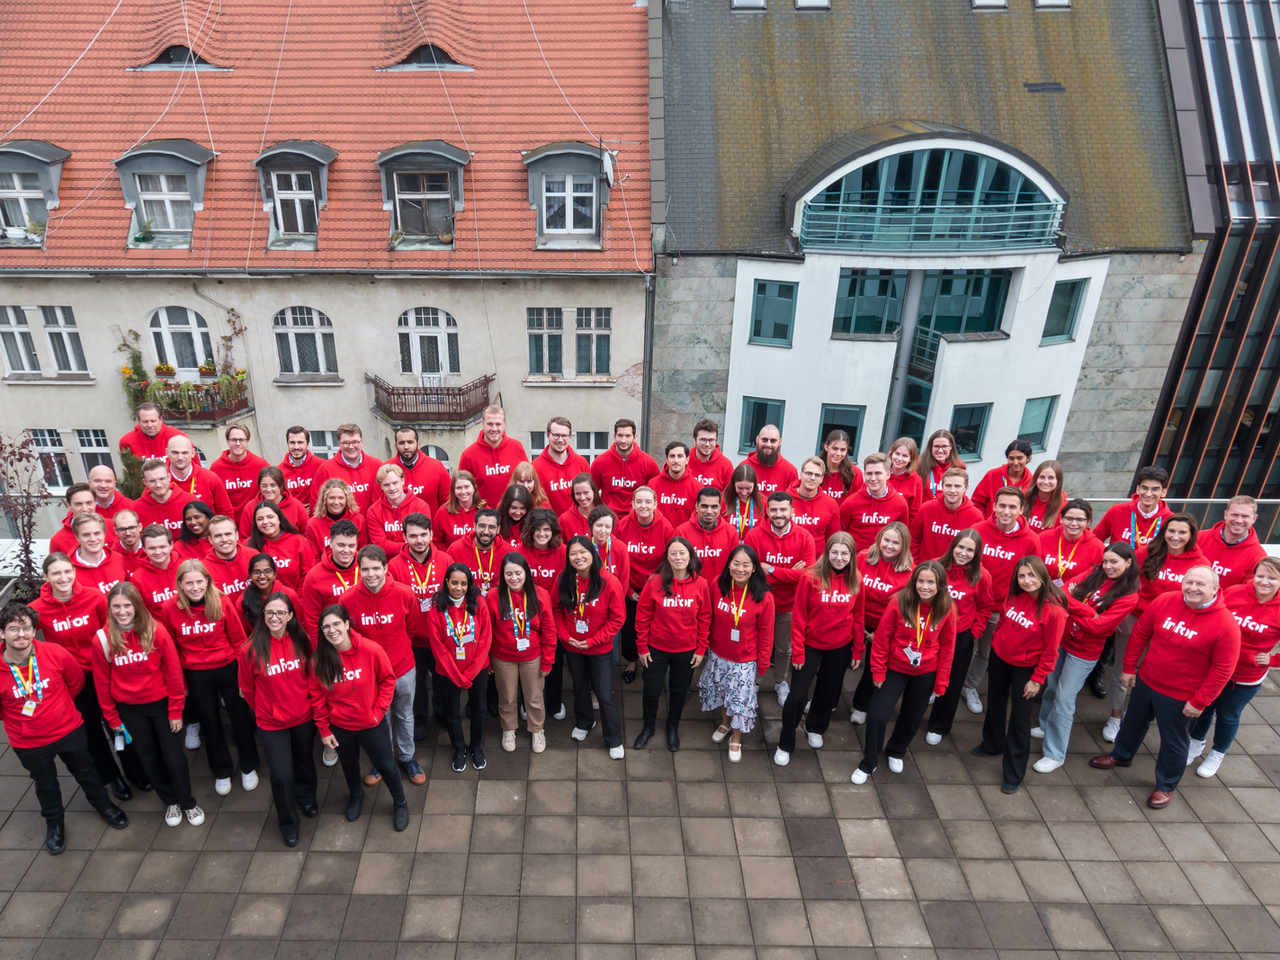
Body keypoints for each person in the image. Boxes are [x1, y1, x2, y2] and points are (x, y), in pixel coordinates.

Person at [1090, 566, 1240, 808]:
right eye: (1189, 581)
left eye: (1200, 584)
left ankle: (1166, 785)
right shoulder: (1165, 601)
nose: (1192, 588)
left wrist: (1200, 701)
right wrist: (1129, 667)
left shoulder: (1226, 625)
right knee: (1132, 723)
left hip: (1182, 696)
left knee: (1173, 742)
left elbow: (1223, 670)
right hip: (1147, 681)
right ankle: (1121, 755)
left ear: (1215, 589)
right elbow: (1140, 633)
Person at [0, 603, 129, 854]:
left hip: (68, 731)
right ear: (2, 634)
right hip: (30, 743)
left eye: (26, 627)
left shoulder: (55, 653)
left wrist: (58, 712)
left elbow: (76, 683)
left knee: (87, 771)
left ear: (34, 629)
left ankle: (105, 806)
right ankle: (55, 824)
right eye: (13, 628)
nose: (21, 634)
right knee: (45, 784)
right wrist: (28, 722)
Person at [30, 553, 145, 799]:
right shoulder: (37, 609)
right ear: (46, 577)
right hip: (73, 682)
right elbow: (17, 631)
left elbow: (116, 625)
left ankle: (135, 771)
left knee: (117, 726)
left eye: (67, 572)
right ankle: (112, 777)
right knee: (91, 732)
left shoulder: (94, 596)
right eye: (56, 573)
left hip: (105, 672)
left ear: (74, 572)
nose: (63, 578)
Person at [93, 583, 204, 827]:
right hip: (129, 711)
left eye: (127, 606)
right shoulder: (102, 639)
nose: (122, 611)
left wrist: (176, 710)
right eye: (116, 607)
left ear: (137, 606)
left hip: (162, 706)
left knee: (174, 758)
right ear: (109, 608)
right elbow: (102, 684)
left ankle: (188, 803)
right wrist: (112, 719)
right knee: (148, 758)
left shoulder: (156, 631)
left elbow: (174, 673)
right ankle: (170, 802)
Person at [1032, 543, 1139, 772]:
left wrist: (1075, 607)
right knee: (1051, 687)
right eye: (1106, 561)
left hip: (1084, 652)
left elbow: (1099, 628)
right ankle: (1045, 725)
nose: (1107, 566)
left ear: (1128, 563)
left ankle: (1055, 753)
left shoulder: (1129, 596)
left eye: (1114, 562)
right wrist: (1089, 611)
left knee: (1064, 698)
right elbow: (1060, 593)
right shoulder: (1093, 573)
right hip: (1062, 640)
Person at [1102, 513, 1207, 741]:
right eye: (1171, 531)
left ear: (1191, 536)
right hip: (1135, 618)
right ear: (1163, 532)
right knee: (1123, 668)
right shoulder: (1145, 553)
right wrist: (1118, 615)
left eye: (1182, 532)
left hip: (1170, 626)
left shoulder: (1200, 564)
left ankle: (1134, 712)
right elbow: (1122, 582)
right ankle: (1115, 715)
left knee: (1149, 671)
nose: (1175, 537)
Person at [161, 559, 260, 795]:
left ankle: (249, 766)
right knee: (210, 722)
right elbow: (172, 649)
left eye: (199, 581)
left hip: (227, 667)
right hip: (196, 673)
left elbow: (238, 641)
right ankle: (222, 770)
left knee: (240, 718)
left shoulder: (222, 601)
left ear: (207, 581)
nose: (195, 587)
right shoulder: (169, 608)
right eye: (189, 583)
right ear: (180, 585)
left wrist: (243, 676)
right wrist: (182, 683)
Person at [853, 561, 955, 783]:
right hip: (894, 668)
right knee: (877, 716)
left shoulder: (947, 608)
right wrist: (878, 671)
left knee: (911, 717)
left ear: (940, 585)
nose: (925, 587)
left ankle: (896, 750)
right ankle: (869, 762)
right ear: (914, 581)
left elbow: (948, 648)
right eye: (920, 581)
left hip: (926, 672)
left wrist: (941, 683)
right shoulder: (899, 601)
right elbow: (881, 639)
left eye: (931, 582)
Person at [971, 557, 1067, 793]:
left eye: (1032, 575)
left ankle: (1013, 773)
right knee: (994, 703)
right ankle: (992, 743)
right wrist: (996, 643)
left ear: (1043, 576)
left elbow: (1051, 651)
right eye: (1022, 576)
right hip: (1000, 659)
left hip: (1027, 670)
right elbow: (1002, 620)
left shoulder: (1055, 611)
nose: (1026, 581)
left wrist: (1037, 679)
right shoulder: (1013, 595)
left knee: (1020, 720)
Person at [309, 605, 409, 829]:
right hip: (341, 725)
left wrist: (378, 710)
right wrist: (324, 730)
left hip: (371, 723)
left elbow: (387, 680)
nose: (332, 630)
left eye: (336, 624)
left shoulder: (371, 649)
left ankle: (400, 801)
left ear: (346, 624)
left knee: (385, 764)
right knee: (348, 763)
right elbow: (316, 697)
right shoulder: (319, 659)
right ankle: (356, 795)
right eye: (326, 626)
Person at [1186, 556, 1280, 777]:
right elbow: (1211, 615)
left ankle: (1218, 752)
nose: (1264, 582)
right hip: (1214, 667)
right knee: (1205, 706)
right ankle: (1195, 741)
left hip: (1245, 676)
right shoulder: (1235, 593)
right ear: (1253, 576)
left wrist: (1274, 660)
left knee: (1228, 715)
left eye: (1272, 578)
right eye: (1260, 576)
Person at [775, 532, 864, 766]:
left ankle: (815, 727)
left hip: (840, 646)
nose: (839, 557)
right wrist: (798, 650)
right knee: (797, 696)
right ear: (826, 553)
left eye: (845, 553)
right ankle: (785, 742)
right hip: (810, 645)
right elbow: (799, 616)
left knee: (828, 690)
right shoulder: (810, 577)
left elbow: (858, 615)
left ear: (852, 555)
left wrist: (857, 649)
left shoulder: (856, 579)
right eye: (834, 552)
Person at [339, 546, 424, 786]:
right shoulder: (347, 599)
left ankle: (407, 757)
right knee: (378, 719)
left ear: (386, 569)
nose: (371, 574)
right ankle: (382, 760)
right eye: (365, 569)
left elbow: (412, 628)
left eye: (376, 568)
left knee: (405, 714)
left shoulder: (405, 594)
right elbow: (351, 637)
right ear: (359, 570)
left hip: (403, 668)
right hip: (371, 675)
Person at [238, 593, 318, 846]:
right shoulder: (249, 649)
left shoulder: (301, 640)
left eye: (280, 613)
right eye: (269, 613)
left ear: (290, 616)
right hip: (271, 723)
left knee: (305, 762)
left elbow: (311, 677)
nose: (274, 617)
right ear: (262, 616)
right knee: (282, 775)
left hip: (304, 717)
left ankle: (306, 797)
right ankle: (288, 823)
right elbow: (248, 690)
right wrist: (266, 711)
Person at [959, 486, 1040, 715]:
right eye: (1002, 505)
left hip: (1001, 609)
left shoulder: (1031, 540)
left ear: (1021, 509)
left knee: (985, 651)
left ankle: (969, 686)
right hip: (969, 603)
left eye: (1012, 507)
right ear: (993, 506)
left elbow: (1033, 577)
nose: (1006, 511)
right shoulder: (977, 530)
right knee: (955, 648)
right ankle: (940, 686)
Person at [634, 537, 712, 751]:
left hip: (686, 650)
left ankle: (672, 727)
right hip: (656, 649)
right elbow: (642, 616)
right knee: (651, 690)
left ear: (690, 557)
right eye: (673, 553)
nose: (678, 557)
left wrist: (701, 648)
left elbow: (705, 617)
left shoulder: (701, 584)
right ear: (667, 557)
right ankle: (648, 728)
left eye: (682, 553)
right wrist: (642, 646)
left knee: (679, 691)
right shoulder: (654, 582)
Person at [699, 544, 773, 762]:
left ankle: (736, 738)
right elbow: (707, 617)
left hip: (744, 660)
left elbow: (767, 633)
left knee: (739, 701)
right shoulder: (718, 585)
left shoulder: (764, 596)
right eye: (736, 563)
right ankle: (725, 723)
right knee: (722, 693)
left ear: (754, 569)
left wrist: (763, 665)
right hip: (718, 653)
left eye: (746, 565)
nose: (740, 569)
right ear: (728, 564)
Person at [555, 536, 627, 758]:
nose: (578, 557)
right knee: (579, 687)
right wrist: (566, 637)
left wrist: (593, 641)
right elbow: (555, 611)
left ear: (593, 553)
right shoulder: (563, 579)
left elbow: (617, 619)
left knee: (604, 694)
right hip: (573, 646)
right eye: (573, 554)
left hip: (599, 649)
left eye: (582, 552)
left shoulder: (608, 581)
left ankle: (614, 738)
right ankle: (585, 722)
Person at [745, 492, 817, 706]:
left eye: (783, 510)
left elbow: (808, 575)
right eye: (774, 510)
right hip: (758, 603)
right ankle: (754, 681)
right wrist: (790, 574)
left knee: (784, 648)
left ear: (792, 512)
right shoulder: (753, 535)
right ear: (767, 511)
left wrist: (772, 569)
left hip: (788, 605)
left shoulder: (804, 537)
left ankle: (780, 682)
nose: (778, 514)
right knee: (756, 645)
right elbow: (752, 573)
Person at [925, 530, 995, 744]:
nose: (963, 553)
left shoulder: (982, 576)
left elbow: (985, 607)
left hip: (959, 637)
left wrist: (973, 633)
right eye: (960, 547)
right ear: (953, 546)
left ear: (977, 553)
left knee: (952, 683)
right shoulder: (935, 566)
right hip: (929, 632)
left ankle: (938, 726)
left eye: (970, 550)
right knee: (923, 675)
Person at [387, 514, 453, 741]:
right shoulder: (394, 566)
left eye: (423, 535)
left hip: (441, 637)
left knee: (442, 678)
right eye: (413, 535)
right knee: (417, 685)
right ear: (404, 537)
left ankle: (442, 713)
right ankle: (421, 718)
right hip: (412, 639)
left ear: (431, 535)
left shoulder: (446, 560)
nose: (419, 540)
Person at [424, 565, 493, 771]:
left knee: (479, 709)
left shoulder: (479, 603)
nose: (459, 588)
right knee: (451, 711)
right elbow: (438, 648)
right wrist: (458, 676)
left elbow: (485, 639)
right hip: (448, 672)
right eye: (454, 582)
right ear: (447, 583)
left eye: (464, 583)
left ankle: (476, 747)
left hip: (477, 669)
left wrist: (471, 672)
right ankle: (459, 747)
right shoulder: (436, 608)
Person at [486, 553, 556, 753]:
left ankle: (537, 729)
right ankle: (509, 729)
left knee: (534, 696)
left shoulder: (540, 595)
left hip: (532, 656)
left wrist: (548, 661)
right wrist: (488, 661)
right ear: (502, 575)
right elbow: (487, 631)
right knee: (507, 696)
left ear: (527, 573)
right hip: (503, 657)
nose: (514, 578)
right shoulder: (492, 596)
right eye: (509, 574)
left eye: (518, 573)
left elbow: (550, 630)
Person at [849, 523, 915, 724]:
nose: (889, 546)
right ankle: (829, 699)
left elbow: (905, 610)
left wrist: (879, 633)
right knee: (839, 662)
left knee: (873, 668)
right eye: (886, 540)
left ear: (904, 546)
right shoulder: (861, 558)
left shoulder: (911, 573)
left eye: (896, 543)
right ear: (879, 540)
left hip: (884, 627)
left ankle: (861, 705)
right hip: (855, 619)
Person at [617, 487, 676, 685]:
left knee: (655, 627)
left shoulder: (666, 527)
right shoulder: (622, 525)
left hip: (655, 588)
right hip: (630, 588)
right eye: (639, 502)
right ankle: (632, 662)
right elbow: (617, 558)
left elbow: (670, 560)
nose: (643, 506)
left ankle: (653, 661)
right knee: (630, 628)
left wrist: (657, 586)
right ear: (632, 504)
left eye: (647, 502)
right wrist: (628, 591)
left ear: (655, 504)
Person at [517, 509, 568, 717]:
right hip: (524, 618)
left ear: (553, 531)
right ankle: (527, 703)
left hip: (554, 616)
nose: (541, 534)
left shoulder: (564, 552)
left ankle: (555, 703)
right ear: (529, 531)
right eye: (537, 529)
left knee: (553, 663)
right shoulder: (519, 553)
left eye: (546, 529)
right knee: (525, 665)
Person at [300, 520, 363, 637]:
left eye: (351, 546)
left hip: (365, 639)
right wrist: (320, 651)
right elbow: (312, 622)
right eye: (341, 545)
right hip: (333, 639)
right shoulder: (315, 577)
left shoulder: (366, 567)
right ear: (330, 543)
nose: (347, 551)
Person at [458, 406, 529, 509]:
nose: (494, 429)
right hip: (484, 516)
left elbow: (529, 478)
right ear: (483, 424)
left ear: (504, 424)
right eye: (490, 424)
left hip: (514, 514)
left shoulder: (517, 447)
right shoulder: (468, 455)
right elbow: (461, 489)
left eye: (498, 424)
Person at [840, 453, 910, 550]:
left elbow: (902, 537)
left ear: (888, 474)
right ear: (864, 474)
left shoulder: (900, 504)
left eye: (878, 473)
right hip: (855, 560)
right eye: (869, 473)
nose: (873, 478)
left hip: (885, 560)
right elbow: (839, 536)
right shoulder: (850, 503)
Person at [910, 467, 983, 561]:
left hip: (955, 573)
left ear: (966, 488)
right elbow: (914, 541)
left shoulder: (976, 516)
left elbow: (976, 552)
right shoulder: (926, 509)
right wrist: (916, 566)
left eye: (957, 486)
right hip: (926, 571)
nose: (952, 490)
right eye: (948, 485)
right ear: (942, 486)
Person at [591, 418, 660, 517]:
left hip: (637, 518)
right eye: (620, 435)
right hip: (608, 518)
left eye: (628, 436)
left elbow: (655, 494)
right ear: (614, 436)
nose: (623, 440)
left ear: (635, 437)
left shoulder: (649, 463)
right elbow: (592, 493)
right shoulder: (599, 462)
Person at [1093, 465, 1173, 548]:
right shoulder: (1117, 511)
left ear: (1164, 492)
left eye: (1155, 489)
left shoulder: (1170, 520)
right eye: (1145, 488)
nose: (1148, 494)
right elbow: (1095, 539)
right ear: (1138, 489)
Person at [1199, 495, 1268, 590]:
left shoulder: (1258, 557)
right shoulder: (1198, 538)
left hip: (1225, 605)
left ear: (1254, 519)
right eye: (1235, 515)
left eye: (1245, 516)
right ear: (1225, 515)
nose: (1239, 520)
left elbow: (1246, 594)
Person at [311, 423, 384, 513]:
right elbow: (316, 505)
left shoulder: (377, 465)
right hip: (341, 526)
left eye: (355, 442)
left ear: (362, 443)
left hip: (372, 525)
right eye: (346, 443)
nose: (351, 447)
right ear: (339, 444)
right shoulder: (326, 469)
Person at [365, 463, 431, 560]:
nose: (392, 488)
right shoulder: (373, 511)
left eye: (395, 483)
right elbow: (380, 545)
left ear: (402, 481)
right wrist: (410, 545)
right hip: (387, 562)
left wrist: (411, 545)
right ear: (381, 486)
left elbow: (423, 540)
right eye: (386, 485)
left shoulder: (421, 506)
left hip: (415, 560)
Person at [247, 501, 316, 590]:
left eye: (270, 517)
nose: (265, 522)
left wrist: (295, 600)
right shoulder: (248, 545)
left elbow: (307, 577)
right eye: (260, 519)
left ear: (279, 519)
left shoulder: (300, 542)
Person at [676, 487, 738, 585]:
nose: (709, 511)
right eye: (704, 506)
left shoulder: (731, 532)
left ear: (720, 507)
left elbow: (735, 565)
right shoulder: (681, 532)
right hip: (692, 590)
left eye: (714, 507)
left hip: (722, 588)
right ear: (696, 506)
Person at [209, 423, 270, 517]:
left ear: (248, 441)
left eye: (241, 440)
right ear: (227, 441)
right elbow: (214, 500)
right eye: (233, 440)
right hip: (229, 523)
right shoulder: (216, 468)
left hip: (256, 520)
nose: (238, 444)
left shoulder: (261, 464)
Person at [534, 416, 591, 516]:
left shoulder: (581, 463)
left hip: (578, 524)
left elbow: (591, 496)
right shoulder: (535, 467)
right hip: (550, 526)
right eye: (556, 435)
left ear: (569, 437)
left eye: (564, 436)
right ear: (548, 435)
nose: (560, 440)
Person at [1039, 499, 1103, 587]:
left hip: (1075, 596)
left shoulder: (1097, 547)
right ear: (1061, 519)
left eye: (1080, 520)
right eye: (1069, 518)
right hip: (1043, 593)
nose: (1073, 523)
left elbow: (1098, 580)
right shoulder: (1043, 538)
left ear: (1088, 522)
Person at [167, 435, 233, 518]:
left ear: (193, 453)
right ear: (167, 452)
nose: (180, 457)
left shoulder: (210, 478)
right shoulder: (159, 480)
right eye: (175, 453)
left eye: (185, 453)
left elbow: (225, 512)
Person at [392, 426, 451, 515]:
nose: (406, 447)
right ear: (395, 446)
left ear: (418, 444)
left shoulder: (436, 467)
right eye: (401, 443)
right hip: (398, 527)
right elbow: (379, 505)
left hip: (431, 527)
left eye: (410, 442)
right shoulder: (387, 469)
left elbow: (448, 501)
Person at [49, 483, 120, 557]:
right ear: (68, 505)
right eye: (78, 504)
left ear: (95, 502)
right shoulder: (58, 540)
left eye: (89, 503)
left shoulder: (113, 526)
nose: (85, 509)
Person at [237, 466, 311, 536]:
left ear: (281, 486)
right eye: (264, 486)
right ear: (259, 486)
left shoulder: (297, 506)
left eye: (273, 485)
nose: (268, 490)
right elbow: (244, 537)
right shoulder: (250, 507)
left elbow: (307, 535)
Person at [240, 553, 301, 633]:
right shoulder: (242, 601)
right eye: (257, 572)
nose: (262, 576)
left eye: (267, 571)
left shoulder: (290, 594)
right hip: (259, 644)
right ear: (251, 576)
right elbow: (243, 635)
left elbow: (300, 625)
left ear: (274, 574)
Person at [970, 440, 1034, 516]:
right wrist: (985, 523)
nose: (1015, 462)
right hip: (990, 525)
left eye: (1019, 458)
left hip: (1016, 527)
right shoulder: (992, 475)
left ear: (1028, 458)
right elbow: (976, 503)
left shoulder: (1032, 482)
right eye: (1011, 458)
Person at [133, 459, 194, 537]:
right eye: (152, 481)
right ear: (145, 482)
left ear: (169, 477)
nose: (158, 485)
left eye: (161, 479)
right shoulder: (136, 509)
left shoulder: (190, 501)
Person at [788, 457, 841, 546]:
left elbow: (833, 540)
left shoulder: (830, 504)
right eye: (809, 473)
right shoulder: (784, 500)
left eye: (817, 475)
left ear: (821, 479)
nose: (812, 478)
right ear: (801, 474)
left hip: (818, 558)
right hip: (788, 557)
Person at [70, 514, 128, 596]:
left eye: (97, 533)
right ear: (77, 537)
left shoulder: (118, 558)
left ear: (104, 534)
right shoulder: (68, 569)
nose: (93, 539)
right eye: (86, 535)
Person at [306, 479, 367, 557]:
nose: (336, 502)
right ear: (324, 500)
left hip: (354, 567)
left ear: (347, 499)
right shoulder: (313, 524)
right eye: (332, 498)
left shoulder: (359, 520)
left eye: (341, 498)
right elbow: (315, 557)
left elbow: (363, 553)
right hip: (324, 568)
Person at [129, 524, 179, 616]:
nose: (158, 552)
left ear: (171, 545)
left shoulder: (185, 568)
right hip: (157, 628)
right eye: (152, 548)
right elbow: (142, 614)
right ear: (144, 549)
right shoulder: (138, 578)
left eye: (162, 547)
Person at [203, 515, 254, 606]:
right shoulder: (204, 569)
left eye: (228, 534)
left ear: (237, 535)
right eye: (218, 536)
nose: (224, 539)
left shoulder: (253, 555)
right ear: (210, 540)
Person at [650, 441, 699, 527]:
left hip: (684, 537)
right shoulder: (653, 484)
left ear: (687, 460)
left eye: (680, 456)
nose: (676, 460)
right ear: (667, 460)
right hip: (659, 534)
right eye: (672, 456)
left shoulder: (696, 487)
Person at [457, 508, 504, 597]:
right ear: (474, 526)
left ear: (498, 529)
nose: (486, 531)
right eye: (482, 526)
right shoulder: (456, 550)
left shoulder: (507, 551)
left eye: (491, 527)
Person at [744, 423, 798, 495]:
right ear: (757, 439)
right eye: (764, 440)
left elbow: (794, 500)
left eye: (773, 441)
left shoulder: (790, 471)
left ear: (779, 442)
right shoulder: (744, 466)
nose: (768, 444)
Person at [118, 402, 185, 460]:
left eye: (153, 421)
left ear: (160, 419)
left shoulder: (177, 436)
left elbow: (193, 466)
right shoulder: (127, 441)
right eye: (145, 421)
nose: (149, 425)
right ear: (139, 421)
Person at [434, 471, 482, 550]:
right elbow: (436, 542)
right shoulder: (443, 512)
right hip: (453, 560)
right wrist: (450, 556)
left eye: (466, 487)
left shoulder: (485, 511)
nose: (463, 492)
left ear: (474, 488)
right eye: (459, 488)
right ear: (453, 490)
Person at [279, 425, 323, 510]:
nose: (296, 447)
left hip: (317, 518)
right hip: (291, 521)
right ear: (287, 444)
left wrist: (316, 506)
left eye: (300, 442)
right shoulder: (278, 472)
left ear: (308, 444)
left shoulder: (321, 466)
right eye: (292, 442)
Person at [917, 430, 966, 501]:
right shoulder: (919, 465)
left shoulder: (959, 467)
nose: (940, 450)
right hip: (924, 511)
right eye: (936, 446)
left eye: (944, 446)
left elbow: (960, 496)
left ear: (951, 447)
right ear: (931, 447)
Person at [722, 463, 765, 543]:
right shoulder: (723, 501)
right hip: (730, 550)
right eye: (740, 488)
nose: (744, 493)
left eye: (748, 488)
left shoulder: (763, 503)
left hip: (753, 551)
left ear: (755, 485)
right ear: (733, 484)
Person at [588, 506, 631, 588]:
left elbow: (624, 581)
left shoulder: (621, 548)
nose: (603, 530)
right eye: (599, 525)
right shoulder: (583, 546)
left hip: (614, 595)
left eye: (607, 527)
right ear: (591, 525)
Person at [818, 429, 863, 504]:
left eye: (842, 450)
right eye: (835, 448)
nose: (838, 453)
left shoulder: (855, 473)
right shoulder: (815, 470)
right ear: (826, 447)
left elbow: (858, 503)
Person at [690, 419, 735, 493]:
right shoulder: (684, 462)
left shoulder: (726, 465)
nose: (707, 444)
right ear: (694, 440)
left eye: (711, 440)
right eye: (703, 440)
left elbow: (730, 497)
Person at [886, 438, 924, 519]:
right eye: (897, 454)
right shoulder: (881, 473)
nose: (899, 459)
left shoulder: (916, 480)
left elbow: (914, 512)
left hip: (900, 528)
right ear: (891, 453)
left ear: (911, 459)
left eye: (905, 456)